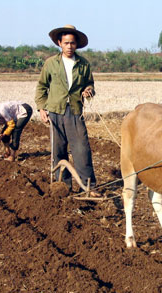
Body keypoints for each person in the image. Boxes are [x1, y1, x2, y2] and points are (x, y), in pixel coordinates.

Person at [35, 24, 100, 196]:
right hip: (55, 112)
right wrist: (42, 108)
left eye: (72, 43)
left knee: (82, 149)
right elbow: (41, 87)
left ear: (76, 44)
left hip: (75, 112)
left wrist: (89, 90)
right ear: (59, 43)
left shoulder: (83, 64)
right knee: (59, 151)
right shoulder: (51, 64)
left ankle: (89, 187)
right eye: (66, 43)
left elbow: (90, 83)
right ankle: (63, 187)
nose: (69, 46)